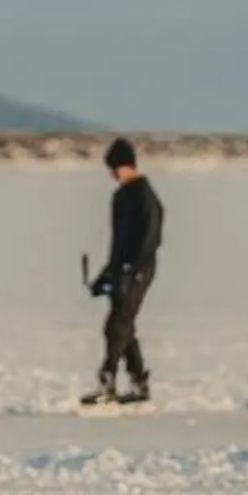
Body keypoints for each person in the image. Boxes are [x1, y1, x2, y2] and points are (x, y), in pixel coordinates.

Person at [83, 138, 162, 405]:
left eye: (117, 168)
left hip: (139, 271)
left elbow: (150, 238)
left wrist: (133, 269)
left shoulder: (145, 197)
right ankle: (139, 383)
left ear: (129, 166)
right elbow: (118, 244)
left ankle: (108, 382)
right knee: (123, 326)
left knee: (117, 325)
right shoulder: (121, 196)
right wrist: (106, 275)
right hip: (122, 271)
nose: (114, 174)